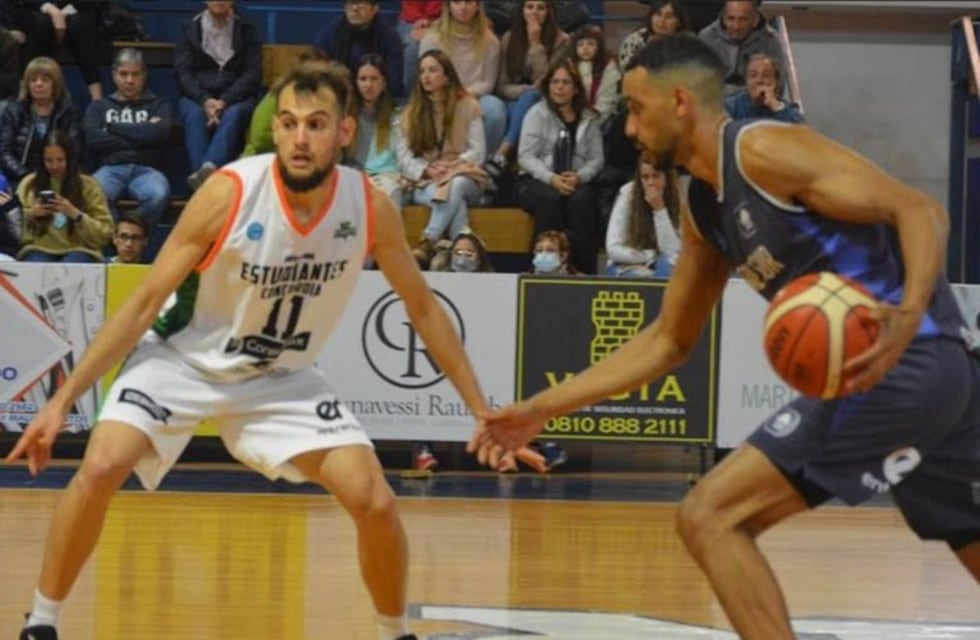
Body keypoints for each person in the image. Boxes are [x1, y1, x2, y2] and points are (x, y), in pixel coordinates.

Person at [473, 34, 980, 639]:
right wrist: (539, 410)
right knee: (967, 531)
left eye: (636, 110)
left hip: (898, 363)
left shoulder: (764, 150)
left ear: (680, 102)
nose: (630, 129)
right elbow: (667, 341)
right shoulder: (705, 207)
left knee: (710, 517)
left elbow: (919, 209)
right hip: (939, 379)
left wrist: (909, 311)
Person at [6, 60, 490, 640]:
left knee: (377, 502)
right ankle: (42, 621)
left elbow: (425, 309)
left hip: (279, 375)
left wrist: (480, 409)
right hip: (180, 358)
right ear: (275, 129)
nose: (299, 138)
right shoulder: (230, 192)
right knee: (103, 464)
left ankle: (395, 634)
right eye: (288, 123)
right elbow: (143, 303)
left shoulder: (369, 206)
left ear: (344, 132)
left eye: (315, 124)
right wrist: (63, 400)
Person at [396, 50, 487, 269]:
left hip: (466, 176)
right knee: (455, 202)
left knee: (455, 184)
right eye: (422, 71)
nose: (426, 76)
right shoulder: (411, 113)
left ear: (447, 76)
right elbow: (404, 157)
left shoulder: (468, 105)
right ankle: (460, 262)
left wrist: (452, 167)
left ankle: (429, 241)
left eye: (433, 70)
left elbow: (478, 151)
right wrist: (426, 169)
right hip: (426, 182)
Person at [516, 58, 603, 274]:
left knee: (583, 201)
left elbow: (596, 159)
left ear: (575, 89)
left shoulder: (589, 118)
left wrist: (579, 177)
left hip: (575, 179)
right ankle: (539, 268)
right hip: (537, 179)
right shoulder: (537, 113)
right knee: (550, 200)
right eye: (555, 82)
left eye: (565, 83)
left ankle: (583, 271)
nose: (560, 87)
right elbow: (526, 157)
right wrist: (552, 179)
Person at [175, 0, 262, 191]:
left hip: (235, 97)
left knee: (234, 114)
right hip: (197, 96)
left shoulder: (247, 28)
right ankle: (208, 181)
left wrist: (225, 100)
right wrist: (204, 100)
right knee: (194, 114)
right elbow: (183, 73)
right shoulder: (190, 27)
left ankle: (206, 173)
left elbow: (252, 74)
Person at [84, 48, 174, 231]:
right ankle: (118, 237)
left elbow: (158, 135)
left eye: (135, 74)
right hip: (110, 168)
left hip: (147, 170)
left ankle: (133, 236)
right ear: (114, 75)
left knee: (158, 194)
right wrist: (142, 135)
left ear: (144, 75)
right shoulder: (99, 106)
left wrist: (112, 127)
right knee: (93, 193)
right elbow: (94, 139)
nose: (129, 80)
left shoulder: (159, 105)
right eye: (123, 74)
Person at [419, 0, 505, 158]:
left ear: (477, 5)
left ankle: (486, 165)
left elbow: (488, 82)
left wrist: (464, 95)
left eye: (469, 2)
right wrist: (448, 95)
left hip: (474, 96)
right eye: (457, 2)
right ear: (448, 6)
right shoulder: (432, 38)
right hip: (440, 95)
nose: (463, 7)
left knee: (495, 107)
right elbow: (425, 77)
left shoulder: (490, 41)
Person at [16, 129, 112, 263]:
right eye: (49, 160)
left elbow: (105, 233)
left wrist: (76, 215)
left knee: (73, 264)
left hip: (80, 249)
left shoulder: (89, 186)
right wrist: (30, 215)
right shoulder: (28, 184)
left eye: (60, 160)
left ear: (70, 158)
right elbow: (13, 231)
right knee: (36, 263)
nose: (55, 166)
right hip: (38, 248)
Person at [0, 56, 80, 186]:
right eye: (33, 80)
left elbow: (74, 149)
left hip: (59, 177)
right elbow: (4, 152)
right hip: (18, 177)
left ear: (55, 84)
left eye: (45, 80)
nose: (39, 84)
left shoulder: (68, 112)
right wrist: (26, 176)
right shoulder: (13, 111)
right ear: (27, 84)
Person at [604, 157, 682, 278]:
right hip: (628, 262)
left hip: (661, 261)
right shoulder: (627, 194)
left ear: (666, 178)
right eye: (645, 177)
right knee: (640, 278)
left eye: (656, 176)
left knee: (670, 270)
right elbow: (613, 248)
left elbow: (673, 251)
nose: (650, 182)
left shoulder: (677, 197)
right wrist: (649, 256)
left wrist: (659, 209)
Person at [345, 53, 404, 207]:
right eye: (363, 79)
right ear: (356, 83)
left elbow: (402, 155)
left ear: (384, 83)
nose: (368, 85)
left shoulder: (397, 116)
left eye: (374, 79)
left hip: (388, 177)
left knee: (391, 195)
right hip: (354, 175)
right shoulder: (346, 116)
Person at [313, 0, 404, 98]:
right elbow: (317, 74)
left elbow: (394, 80)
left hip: (379, 100)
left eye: (361, 3)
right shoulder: (329, 35)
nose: (355, 8)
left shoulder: (390, 38)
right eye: (351, 3)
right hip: (339, 97)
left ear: (375, 9)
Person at [698, 0, 785, 95]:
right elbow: (700, 85)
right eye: (731, 19)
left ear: (755, 20)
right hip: (715, 104)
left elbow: (777, 87)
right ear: (723, 17)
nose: (736, 26)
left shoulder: (770, 40)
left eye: (742, 20)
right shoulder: (706, 38)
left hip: (756, 105)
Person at [724, 53, 804, 123]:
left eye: (766, 75)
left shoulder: (786, 108)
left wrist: (774, 104)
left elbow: (804, 135)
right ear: (747, 81)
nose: (759, 80)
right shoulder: (730, 107)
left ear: (776, 82)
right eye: (753, 75)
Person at [566, 24, 620, 126]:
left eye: (591, 44)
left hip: (600, 115)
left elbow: (607, 98)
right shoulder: (569, 65)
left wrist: (594, 116)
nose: (585, 48)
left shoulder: (608, 67)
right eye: (580, 45)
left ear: (599, 47)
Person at [618, 0, 691, 68]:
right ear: (651, 17)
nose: (662, 21)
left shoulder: (688, 43)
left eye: (669, 17)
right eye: (658, 14)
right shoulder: (635, 40)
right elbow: (627, 70)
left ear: (679, 22)